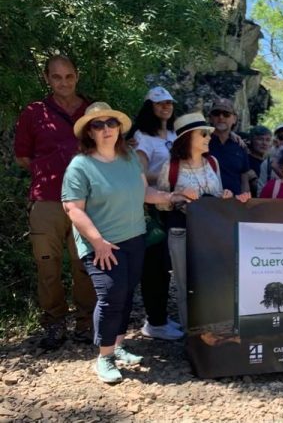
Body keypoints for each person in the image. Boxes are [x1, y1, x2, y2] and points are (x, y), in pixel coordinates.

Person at [61, 102, 194, 383]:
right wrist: (98, 242)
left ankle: (117, 346)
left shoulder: (130, 157)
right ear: (89, 132)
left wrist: (171, 197)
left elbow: (144, 192)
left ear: (119, 128)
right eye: (98, 125)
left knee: (124, 295)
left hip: (134, 238)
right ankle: (104, 357)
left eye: (111, 123)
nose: (106, 129)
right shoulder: (80, 165)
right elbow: (73, 209)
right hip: (101, 243)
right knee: (110, 297)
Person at [13, 54, 96, 350]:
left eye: (69, 76)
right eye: (57, 77)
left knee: (84, 263)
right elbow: (23, 156)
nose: (64, 82)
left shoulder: (92, 110)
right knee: (47, 265)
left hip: (86, 201)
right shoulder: (34, 113)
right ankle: (54, 323)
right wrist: (48, 171)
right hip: (46, 200)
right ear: (47, 78)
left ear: (77, 76)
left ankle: (86, 323)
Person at [156, 113, 245, 330]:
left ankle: (212, 331)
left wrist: (225, 196)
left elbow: (217, 194)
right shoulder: (172, 166)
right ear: (187, 138)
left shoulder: (212, 163)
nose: (208, 138)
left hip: (210, 233)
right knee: (185, 282)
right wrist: (179, 198)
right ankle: (191, 334)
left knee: (212, 280)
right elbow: (159, 203)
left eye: (208, 134)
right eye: (203, 134)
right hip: (181, 230)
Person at [128, 86, 182, 341]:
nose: (166, 106)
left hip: (172, 204)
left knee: (168, 266)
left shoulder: (173, 133)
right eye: (160, 103)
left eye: (169, 102)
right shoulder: (142, 136)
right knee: (154, 266)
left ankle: (162, 317)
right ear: (149, 106)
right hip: (151, 207)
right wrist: (172, 175)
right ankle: (155, 322)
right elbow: (140, 173)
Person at [207, 98, 251, 200]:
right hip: (207, 205)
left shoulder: (240, 146)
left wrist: (247, 202)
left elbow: (244, 179)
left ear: (234, 119)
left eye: (226, 114)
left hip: (235, 206)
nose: (221, 117)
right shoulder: (202, 142)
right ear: (210, 118)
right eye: (216, 113)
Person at [256, 123, 283, 195]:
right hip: (273, 204)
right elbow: (260, 192)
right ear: (275, 141)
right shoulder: (267, 164)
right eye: (281, 137)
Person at [246, 125, 272, 196]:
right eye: (260, 139)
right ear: (251, 140)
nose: (264, 143)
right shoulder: (245, 161)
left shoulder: (270, 163)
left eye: (268, 140)